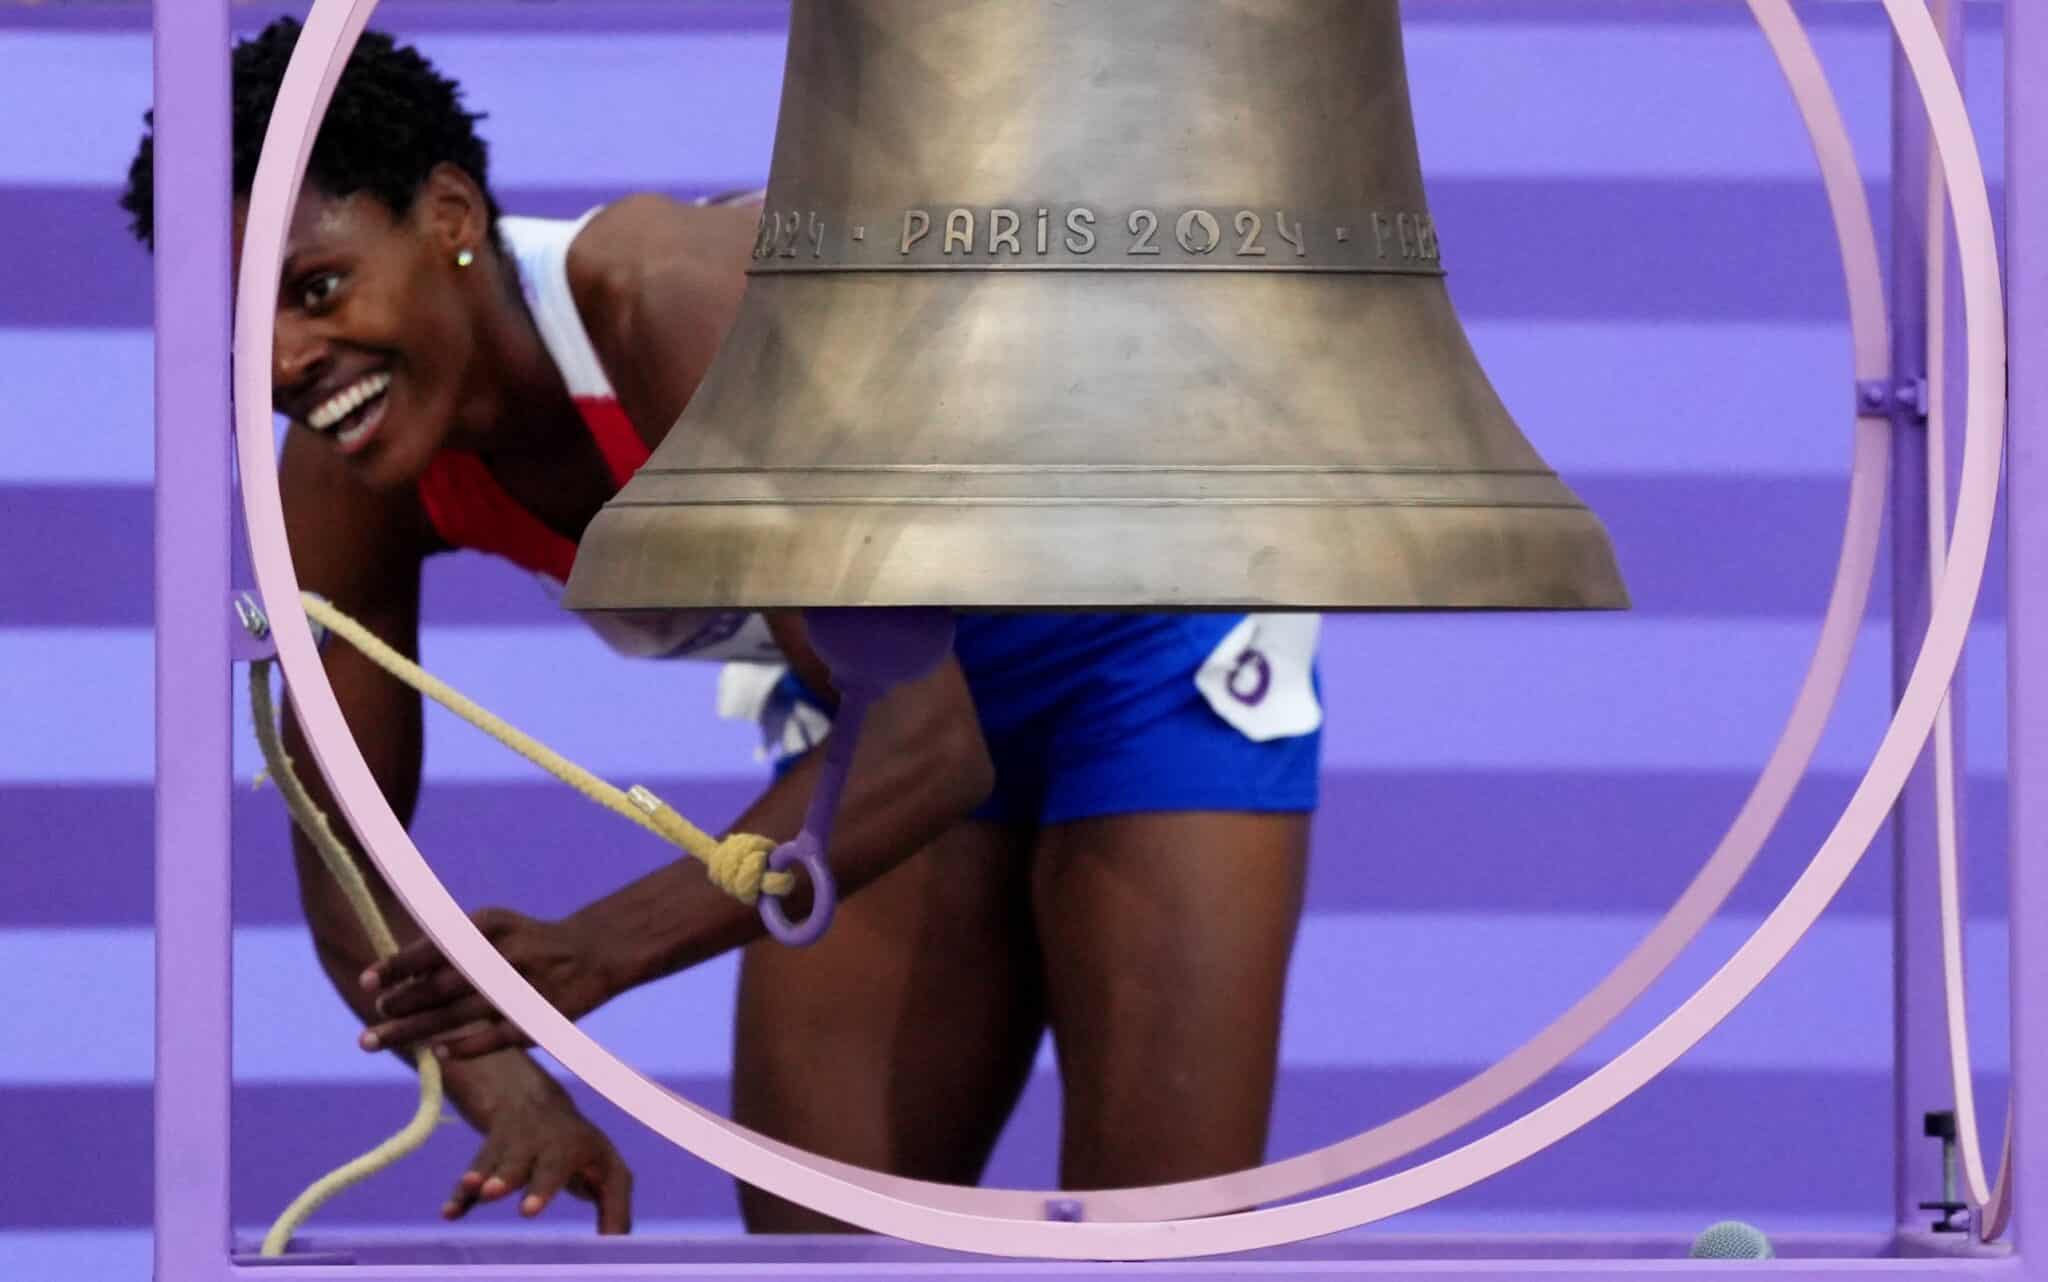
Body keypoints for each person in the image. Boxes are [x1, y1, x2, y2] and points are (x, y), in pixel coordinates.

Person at [122, 17, 1322, 1237]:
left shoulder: (667, 304)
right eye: (238, 331)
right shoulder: (345, 476)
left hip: (1133, 634)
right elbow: (348, 855)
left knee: (1151, 1248)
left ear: (448, 216)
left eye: (315, 288)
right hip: (885, 704)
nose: (283, 360)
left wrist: (595, 953)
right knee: (818, 1244)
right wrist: (516, 1093)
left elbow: (928, 749)